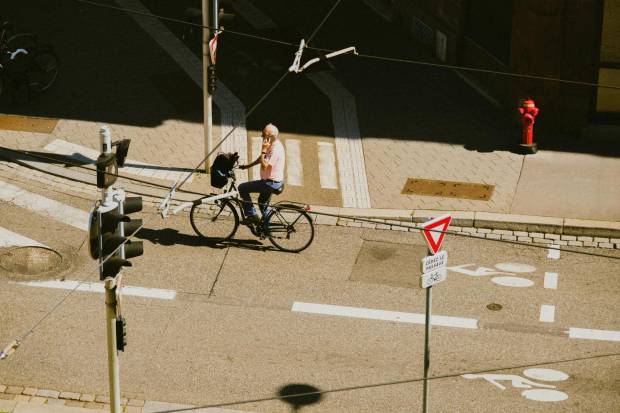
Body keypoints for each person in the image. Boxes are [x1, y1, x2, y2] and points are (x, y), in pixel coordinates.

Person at [238, 123, 285, 224]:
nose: (261, 136)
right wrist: (247, 166)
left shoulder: (276, 149)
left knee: (242, 188)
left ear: (271, 137)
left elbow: (265, 166)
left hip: (270, 183)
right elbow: (261, 159)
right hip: (271, 181)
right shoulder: (272, 144)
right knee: (262, 203)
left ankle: (251, 215)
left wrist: (263, 150)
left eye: (264, 134)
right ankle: (268, 227)